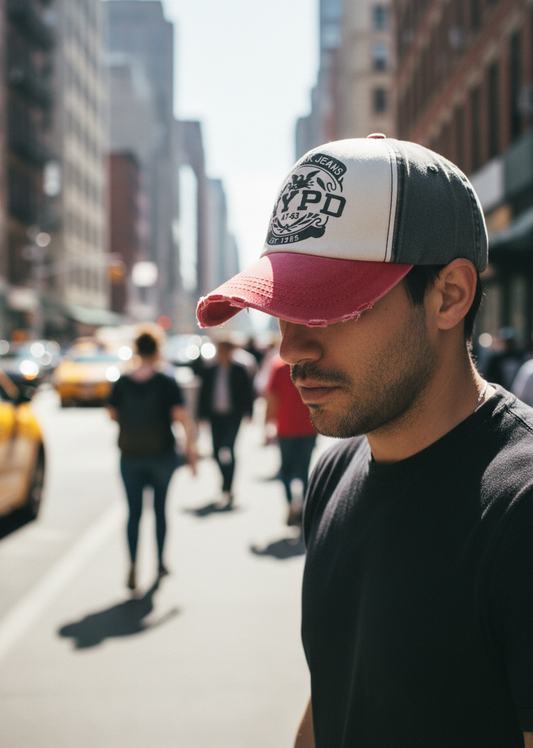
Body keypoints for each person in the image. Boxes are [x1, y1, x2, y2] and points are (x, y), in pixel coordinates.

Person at [196, 135, 533, 747]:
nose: (290, 349)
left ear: (448, 296)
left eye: (329, 310)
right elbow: (337, 695)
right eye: (283, 310)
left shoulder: (522, 510)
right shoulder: (337, 470)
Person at [107, 328, 197, 590]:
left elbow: (111, 414)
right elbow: (183, 419)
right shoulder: (166, 381)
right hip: (162, 456)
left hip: (130, 456)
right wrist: (191, 455)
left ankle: (133, 564)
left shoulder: (122, 381)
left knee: (133, 514)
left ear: (136, 349)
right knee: (160, 511)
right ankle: (160, 563)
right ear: (158, 349)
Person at [197, 336, 254, 508]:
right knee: (215, 452)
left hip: (233, 416)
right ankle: (225, 482)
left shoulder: (239, 370)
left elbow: (247, 392)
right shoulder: (210, 370)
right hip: (215, 416)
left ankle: (228, 487)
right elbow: (203, 394)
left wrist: (249, 412)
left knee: (228, 448)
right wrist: (201, 415)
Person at [265, 354, 317, 525]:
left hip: (286, 428)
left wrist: (267, 424)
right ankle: (303, 506)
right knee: (304, 470)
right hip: (308, 427)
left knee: (286, 470)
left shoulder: (279, 367)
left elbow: (272, 399)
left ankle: (291, 503)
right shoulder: (311, 365)